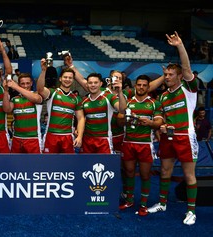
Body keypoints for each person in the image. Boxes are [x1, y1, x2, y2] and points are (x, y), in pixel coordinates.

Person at [147, 31, 198, 226]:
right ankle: (162, 203)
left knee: (188, 175)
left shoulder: (188, 88)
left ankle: (191, 211)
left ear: (179, 76)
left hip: (186, 136)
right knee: (165, 171)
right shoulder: (163, 96)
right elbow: (161, 117)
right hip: (168, 137)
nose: (167, 77)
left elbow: (186, 67)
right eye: (165, 74)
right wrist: (162, 125)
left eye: (170, 74)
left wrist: (179, 46)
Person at [118, 75, 164, 216]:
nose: (141, 87)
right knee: (129, 172)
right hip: (128, 142)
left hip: (145, 144)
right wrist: (127, 120)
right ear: (135, 86)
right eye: (139, 85)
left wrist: (149, 123)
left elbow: (158, 123)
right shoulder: (128, 102)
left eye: (144, 85)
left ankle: (143, 204)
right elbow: (119, 121)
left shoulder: (154, 103)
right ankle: (130, 200)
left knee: (145, 175)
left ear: (148, 87)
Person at [37, 61, 85, 153]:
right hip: (51, 135)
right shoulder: (52, 93)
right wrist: (43, 71)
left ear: (73, 79)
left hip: (67, 136)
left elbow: (81, 118)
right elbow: (40, 89)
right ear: (60, 79)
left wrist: (79, 137)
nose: (67, 79)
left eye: (70, 78)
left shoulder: (76, 98)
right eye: (65, 77)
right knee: (49, 165)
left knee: (68, 166)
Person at [80, 73, 126, 153]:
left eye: (95, 83)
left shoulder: (109, 97)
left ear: (101, 84)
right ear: (87, 85)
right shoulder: (84, 101)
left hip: (104, 140)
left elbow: (122, 110)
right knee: (87, 165)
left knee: (106, 165)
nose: (93, 85)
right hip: (87, 140)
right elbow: (82, 119)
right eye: (90, 83)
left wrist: (120, 92)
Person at [3, 73, 43, 153]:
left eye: (28, 83)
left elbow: (35, 99)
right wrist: (6, 91)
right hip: (17, 138)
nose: (25, 86)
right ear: (19, 84)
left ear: (31, 83)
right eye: (22, 83)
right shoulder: (15, 99)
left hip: (33, 138)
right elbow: (7, 109)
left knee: (34, 164)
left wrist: (15, 87)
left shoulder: (36, 95)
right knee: (16, 164)